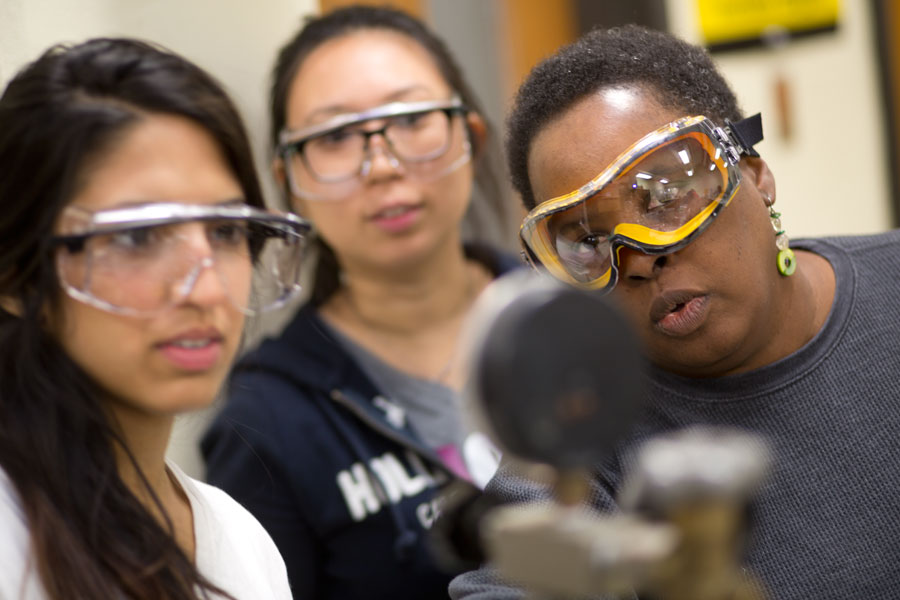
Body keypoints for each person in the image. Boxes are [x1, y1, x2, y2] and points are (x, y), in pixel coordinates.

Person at [450, 24, 900, 600]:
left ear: (756, 173)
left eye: (666, 195)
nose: (640, 259)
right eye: (587, 241)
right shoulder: (577, 432)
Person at [201, 5, 519, 599]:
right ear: (291, 178)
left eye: (410, 118)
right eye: (336, 136)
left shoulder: (574, 312)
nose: (382, 166)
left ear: (468, 138)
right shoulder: (265, 422)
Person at [0, 37, 310, 599]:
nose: (208, 289)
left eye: (225, 231)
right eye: (137, 235)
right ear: (14, 277)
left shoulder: (241, 541)